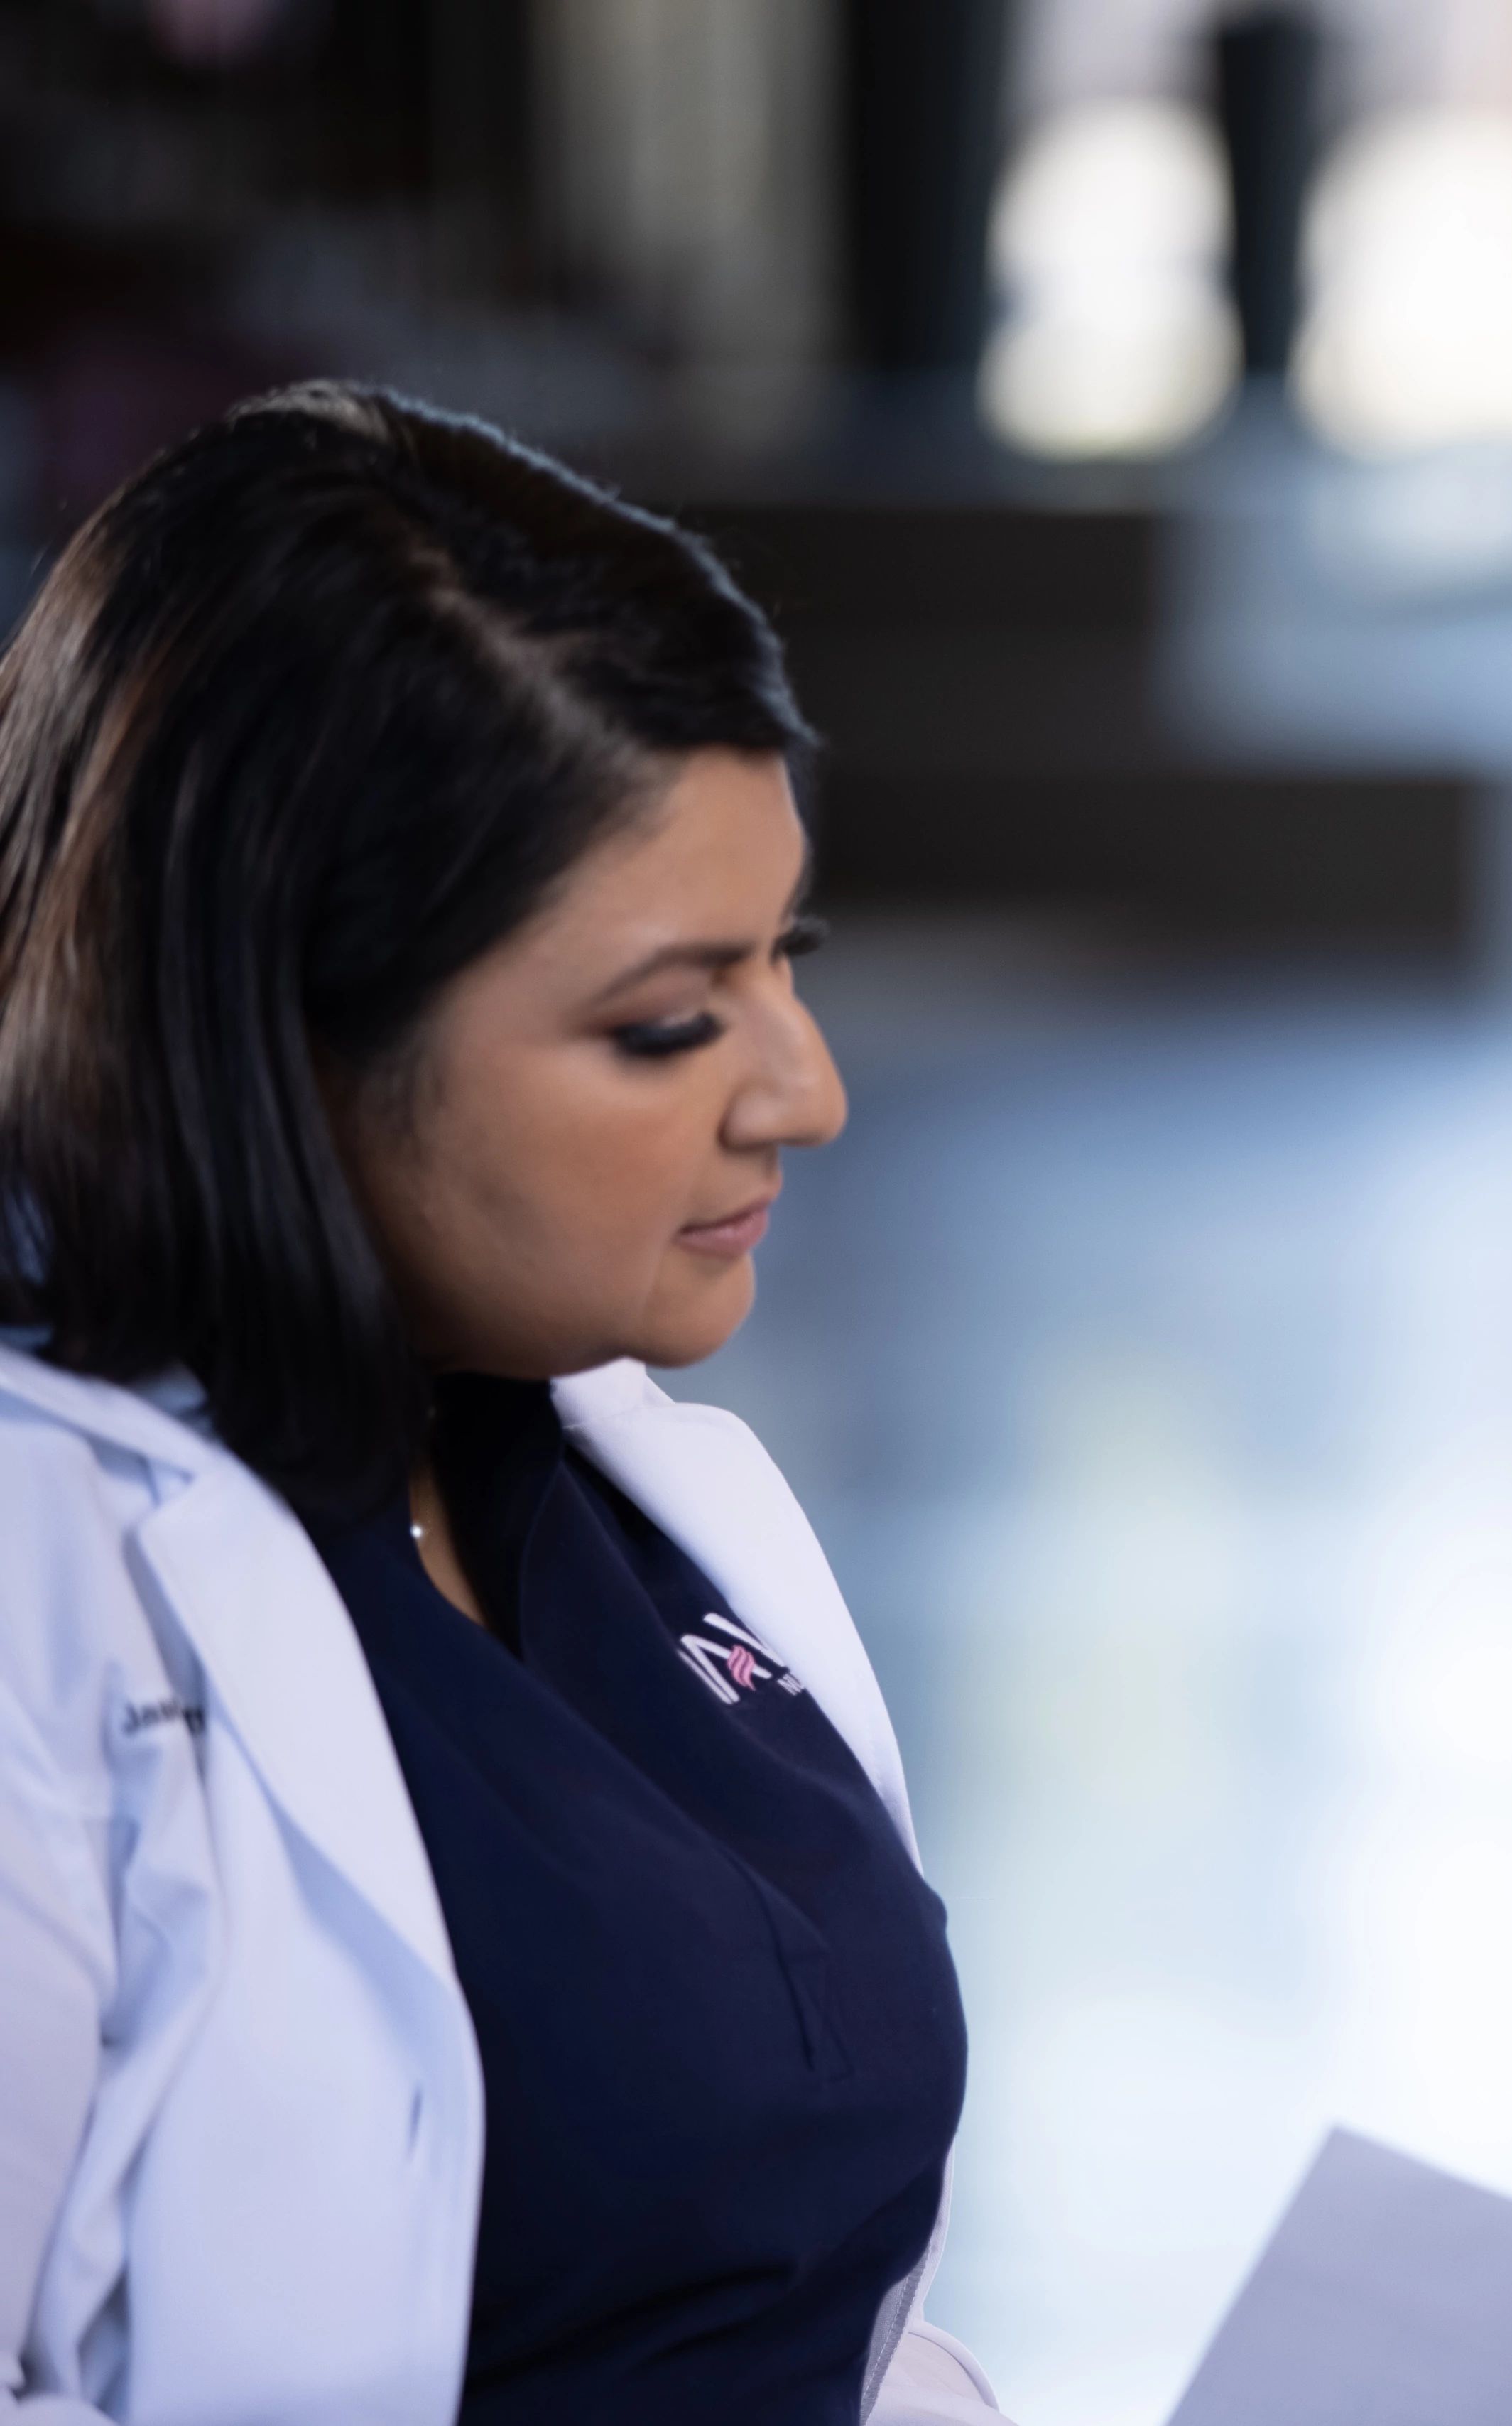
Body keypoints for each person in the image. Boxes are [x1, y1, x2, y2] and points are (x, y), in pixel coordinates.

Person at [0, 386, 1010, 2424]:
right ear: (277, 1027)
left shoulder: (619, 1485)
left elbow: (795, 2304)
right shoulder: (50, 1593)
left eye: (785, 958)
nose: (803, 1092)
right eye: (664, 1023)